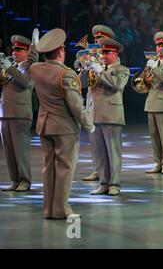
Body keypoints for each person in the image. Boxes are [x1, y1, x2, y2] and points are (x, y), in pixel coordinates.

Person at [29, 28, 94, 219]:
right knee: (64, 170)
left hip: (44, 125)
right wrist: (89, 125)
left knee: (48, 169)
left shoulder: (36, 69)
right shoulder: (65, 74)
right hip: (65, 129)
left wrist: (34, 44)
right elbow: (75, 105)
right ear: (60, 52)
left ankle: (49, 210)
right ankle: (62, 210)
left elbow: (31, 61)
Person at [86, 38, 130, 196]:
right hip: (95, 114)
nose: (103, 55)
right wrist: (85, 68)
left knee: (113, 152)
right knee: (99, 153)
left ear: (115, 53)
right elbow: (82, 83)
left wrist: (100, 71)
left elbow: (117, 84)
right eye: (102, 52)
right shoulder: (97, 68)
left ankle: (115, 184)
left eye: (107, 52)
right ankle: (103, 183)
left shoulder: (122, 69)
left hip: (111, 115)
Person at [0, 31, 39, 191]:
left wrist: (9, 68)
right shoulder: (10, 67)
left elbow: (26, 83)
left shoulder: (31, 67)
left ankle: (24, 180)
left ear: (27, 52)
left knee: (20, 151)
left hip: (20, 114)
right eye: (14, 50)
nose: (14, 53)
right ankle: (15, 180)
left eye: (19, 50)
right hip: (4, 113)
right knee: (9, 151)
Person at [82, 24, 117, 182]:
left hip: (106, 105)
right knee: (94, 142)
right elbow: (82, 83)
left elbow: (113, 80)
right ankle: (97, 170)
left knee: (109, 146)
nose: (95, 41)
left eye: (99, 38)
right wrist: (85, 66)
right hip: (92, 103)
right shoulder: (91, 57)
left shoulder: (112, 58)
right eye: (95, 38)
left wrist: (98, 64)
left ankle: (110, 175)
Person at [145, 31, 163, 174]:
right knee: (154, 136)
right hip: (151, 102)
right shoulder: (154, 62)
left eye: (162, 45)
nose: (159, 49)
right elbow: (146, 82)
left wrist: (154, 68)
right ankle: (157, 163)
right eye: (158, 46)